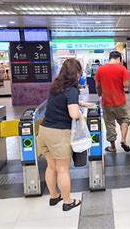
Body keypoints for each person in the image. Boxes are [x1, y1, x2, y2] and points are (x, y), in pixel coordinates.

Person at [37, 58, 92, 211]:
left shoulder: (56, 86)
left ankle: (54, 197)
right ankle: (68, 201)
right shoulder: (72, 89)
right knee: (62, 169)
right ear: (77, 73)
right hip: (59, 133)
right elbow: (73, 114)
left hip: (44, 130)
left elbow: (61, 102)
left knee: (51, 166)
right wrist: (80, 114)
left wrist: (81, 103)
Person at [95, 51, 130, 153]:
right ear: (119, 59)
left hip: (106, 101)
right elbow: (126, 85)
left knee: (110, 124)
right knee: (124, 120)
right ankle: (123, 139)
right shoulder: (122, 69)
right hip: (120, 101)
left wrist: (100, 94)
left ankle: (113, 147)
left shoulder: (100, 69)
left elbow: (97, 86)